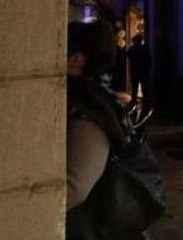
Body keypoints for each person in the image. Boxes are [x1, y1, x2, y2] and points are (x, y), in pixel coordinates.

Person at [65, 21, 132, 240]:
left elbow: (75, 187)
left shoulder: (90, 112)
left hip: (87, 226)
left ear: (76, 60)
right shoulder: (87, 99)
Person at [127, 34, 152, 110]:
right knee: (145, 87)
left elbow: (127, 54)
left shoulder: (133, 48)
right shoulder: (144, 48)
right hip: (143, 71)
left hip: (134, 70)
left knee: (134, 86)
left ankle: (134, 100)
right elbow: (149, 60)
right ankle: (146, 101)